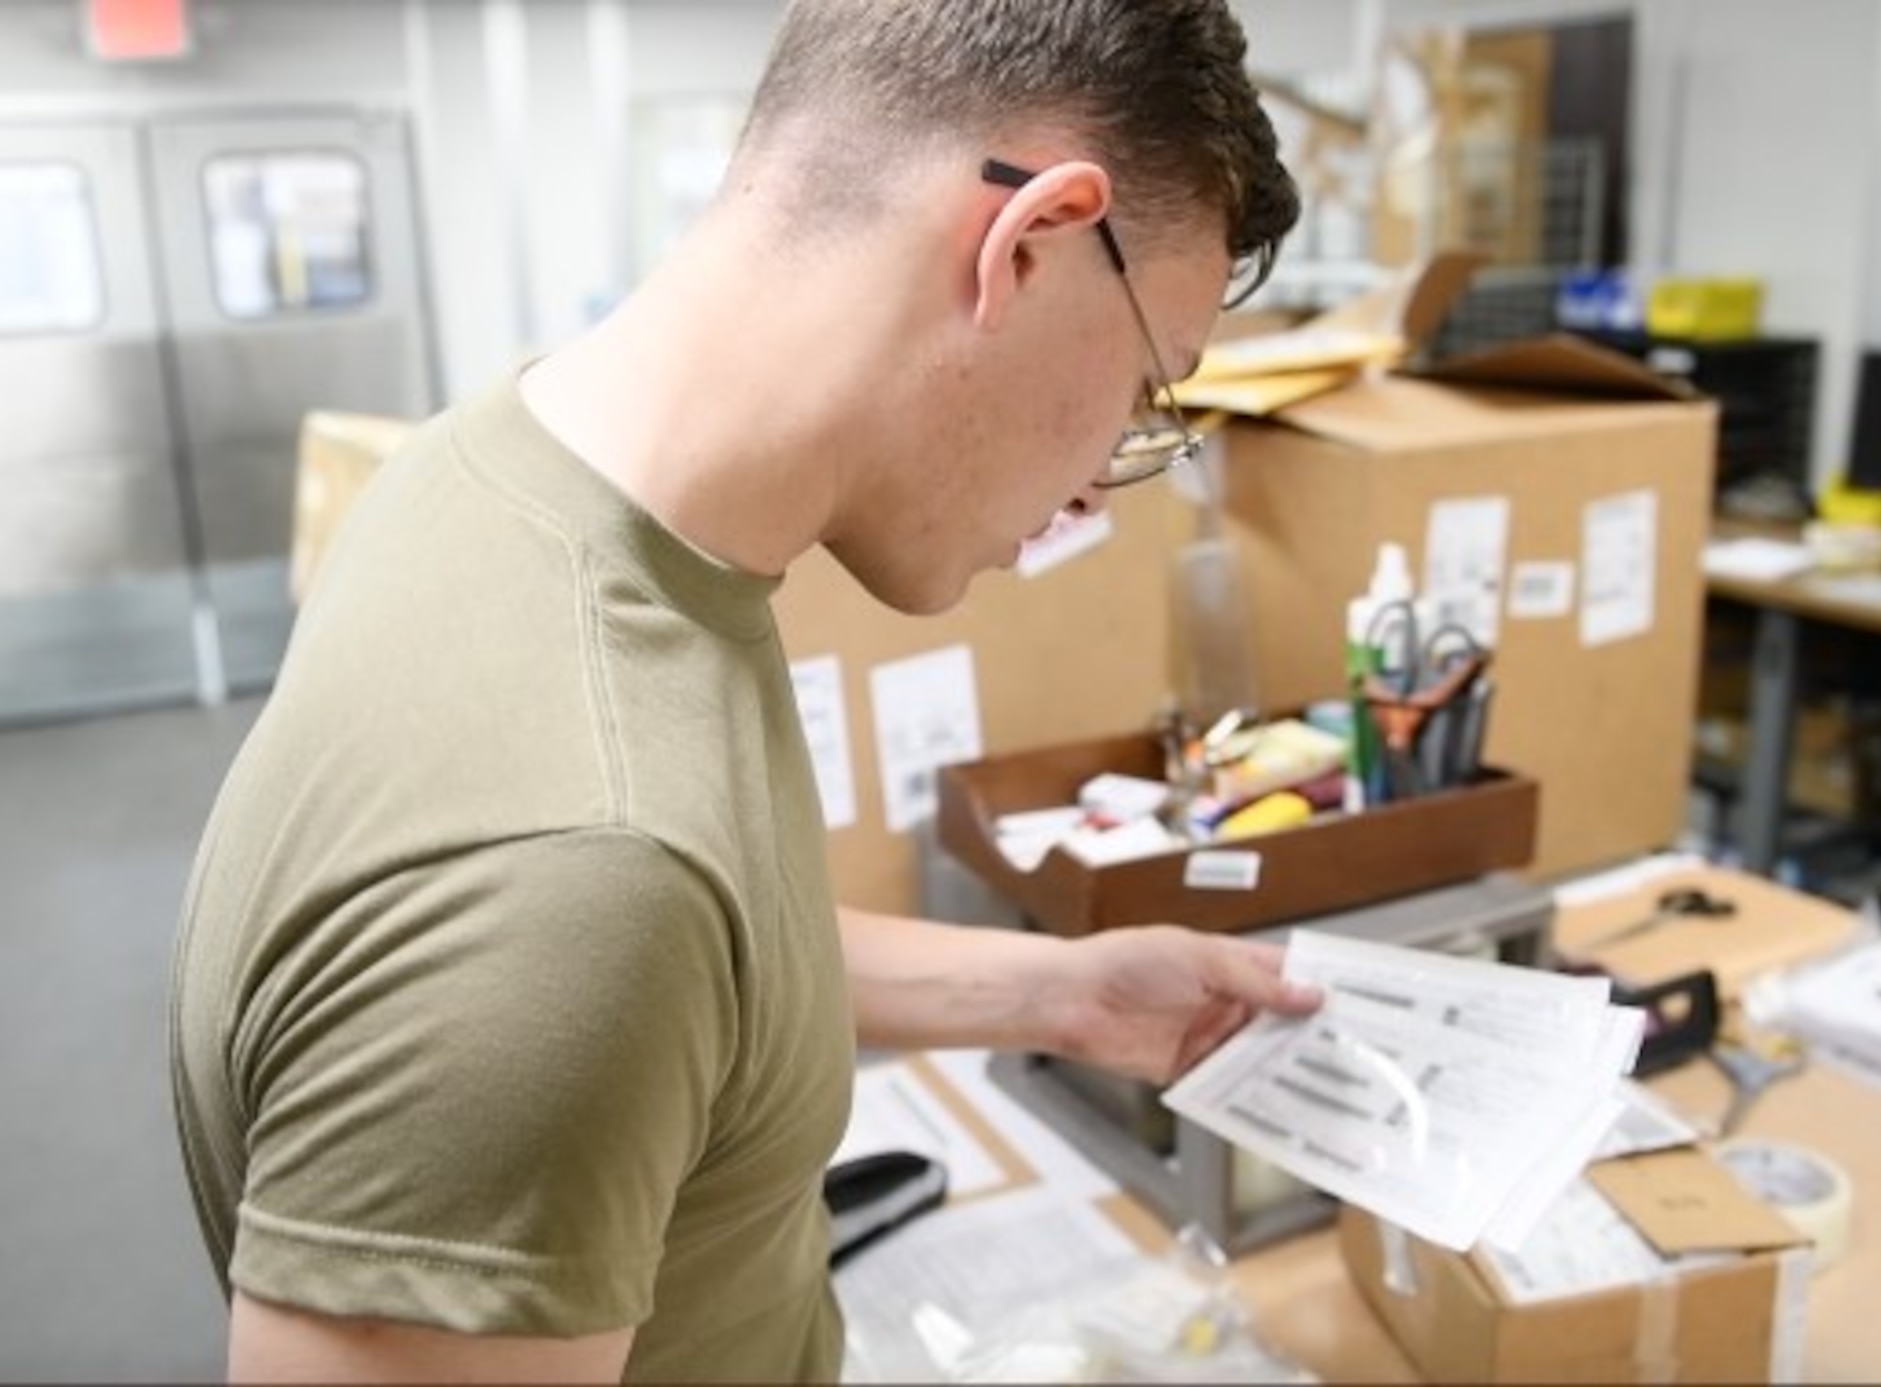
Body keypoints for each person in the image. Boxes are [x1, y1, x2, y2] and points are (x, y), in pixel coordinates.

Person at [169, 0, 1311, 1380]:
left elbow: (706, 967)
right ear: (1028, 245)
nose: (1102, 478)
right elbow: (605, 912)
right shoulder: (572, 876)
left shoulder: (504, 468)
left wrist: (1057, 994)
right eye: (1145, 389)